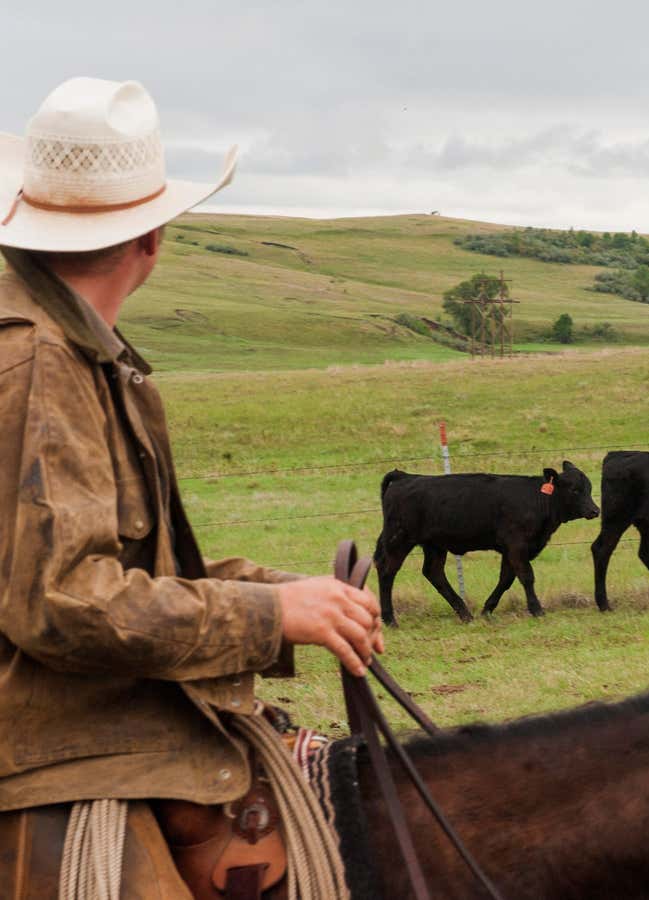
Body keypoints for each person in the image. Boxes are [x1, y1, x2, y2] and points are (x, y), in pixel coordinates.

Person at [0, 78, 382, 896]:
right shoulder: (42, 365)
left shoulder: (81, 352)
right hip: (48, 747)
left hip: (84, 723)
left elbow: (133, 570)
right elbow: (63, 601)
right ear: (153, 238)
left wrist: (291, 597)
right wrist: (271, 615)